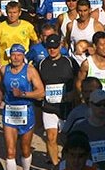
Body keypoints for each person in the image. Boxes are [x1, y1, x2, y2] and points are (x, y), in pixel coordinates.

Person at [33, 34, 78, 166]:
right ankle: (56, 165)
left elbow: (79, 80)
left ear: (61, 45)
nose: (52, 50)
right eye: (49, 47)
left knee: (66, 139)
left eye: (55, 47)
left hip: (67, 108)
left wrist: (74, 94)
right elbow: (37, 85)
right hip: (49, 107)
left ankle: (66, 162)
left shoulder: (70, 62)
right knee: (51, 137)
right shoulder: (41, 64)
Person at [0, 44, 44, 170]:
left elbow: (41, 92)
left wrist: (23, 94)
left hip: (26, 111)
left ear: (23, 56)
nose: (16, 58)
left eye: (19, 55)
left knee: (25, 149)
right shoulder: (4, 70)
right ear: (9, 56)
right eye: (13, 55)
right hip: (10, 111)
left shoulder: (30, 70)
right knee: (10, 151)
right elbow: (1, 86)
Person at [70, 89, 105, 169]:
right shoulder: (79, 129)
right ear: (90, 104)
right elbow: (71, 154)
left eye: (104, 104)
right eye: (98, 104)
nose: (102, 108)